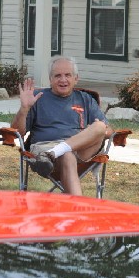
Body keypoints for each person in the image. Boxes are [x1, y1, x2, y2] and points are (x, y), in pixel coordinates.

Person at [11, 56, 113, 196]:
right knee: (67, 155)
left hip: (79, 150)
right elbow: (17, 133)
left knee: (100, 127)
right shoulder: (38, 98)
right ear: (50, 79)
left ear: (76, 78)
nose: (63, 80)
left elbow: (109, 131)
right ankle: (75, 211)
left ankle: (55, 152)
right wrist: (24, 109)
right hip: (45, 150)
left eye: (68, 75)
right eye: (58, 75)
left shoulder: (85, 99)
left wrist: (92, 131)